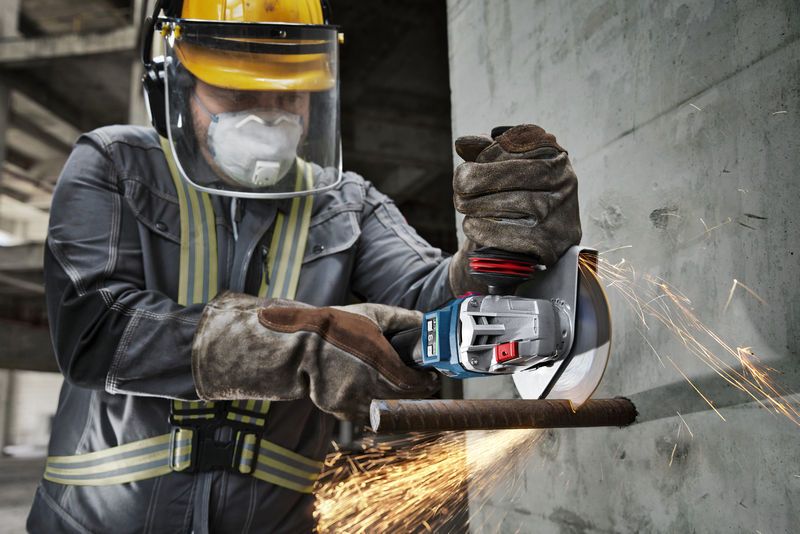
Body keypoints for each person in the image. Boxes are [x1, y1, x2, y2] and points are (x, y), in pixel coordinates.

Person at [27, 1, 581, 532]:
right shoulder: (115, 165)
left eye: (291, 94)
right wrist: (302, 343)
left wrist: (501, 249)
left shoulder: (348, 201)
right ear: (174, 83)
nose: (268, 116)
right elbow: (95, 331)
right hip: (96, 524)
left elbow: (429, 306)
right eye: (238, 89)